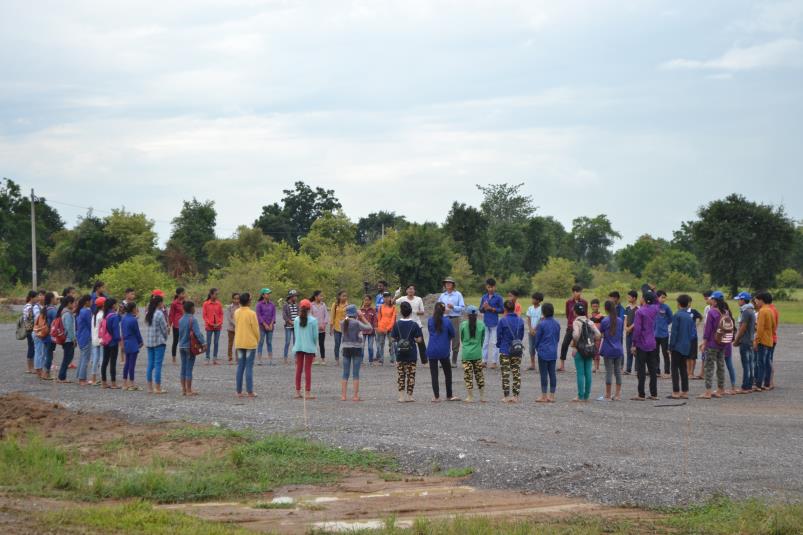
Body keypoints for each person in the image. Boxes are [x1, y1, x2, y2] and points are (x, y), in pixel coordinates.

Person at [698, 291, 733, 399]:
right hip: (722, 343)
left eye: (712, 299)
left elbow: (708, 330)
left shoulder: (712, 312)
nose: (711, 301)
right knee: (721, 366)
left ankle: (708, 392)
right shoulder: (725, 312)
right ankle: (720, 389)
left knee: (709, 367)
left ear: (715, 301)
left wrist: (704, 343)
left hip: (712, 343)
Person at [391, 301, 424, 402]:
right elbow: (419, 340)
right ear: (410, 312)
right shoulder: (414, 325)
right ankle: (410, 396)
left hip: (400, 353)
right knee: (411, 375)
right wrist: (413, 339)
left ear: (401, 312)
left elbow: (392, 339)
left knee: (401, 374)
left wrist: (399, 340)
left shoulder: (396, 324)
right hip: (411, 353)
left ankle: (401, 396)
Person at [631, 290, 660, 401]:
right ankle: (654, 393)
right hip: (652, 342)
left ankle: (641, 394)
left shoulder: (640, 312)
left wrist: (634, 343)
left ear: (643, 299)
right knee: (652, 369)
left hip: (642, 343)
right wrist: (653, 291)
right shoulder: (655, 309)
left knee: (641, 369)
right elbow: (657, 302)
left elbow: (637, 329)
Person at [340, 304, 372, 401]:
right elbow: (369, 327)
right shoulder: (357, 323)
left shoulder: (342, 323)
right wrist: (362, 317)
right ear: (355, 313)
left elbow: (345, 319)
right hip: (357, 348)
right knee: (355, 373)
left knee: (345, 373)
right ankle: (355, 396)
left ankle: (343, 396)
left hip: (346, 348)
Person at [427, 302, 458, 402]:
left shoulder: (430, 320)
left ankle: (436, 397)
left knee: (434, 374)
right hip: (443, 349)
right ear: (444, 310)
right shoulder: (447, 321)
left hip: (432, 349)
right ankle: (449, 395)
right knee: (447, 373)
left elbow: (430, 331)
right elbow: (452, 334)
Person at [570, 302, 600, 402]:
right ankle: (586, 396)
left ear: (575, 312)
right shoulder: (589, 321)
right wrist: (592, 340)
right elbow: (598, 334)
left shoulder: (576, 322)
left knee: (580, 373)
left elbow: (576, 335)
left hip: (580, 349)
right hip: (589, 349)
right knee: (588, 372)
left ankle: (580, 396)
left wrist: (574, 344)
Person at [497, 300, 526, 403]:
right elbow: (521, 336)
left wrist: (499, 344)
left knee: (505, 373)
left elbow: (499, 335)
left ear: (505, 309)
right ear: (514, 308)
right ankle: (516, 396)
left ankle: (506, 396)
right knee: (516, 372)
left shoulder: (502, 321)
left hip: (505, 349)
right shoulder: (520, 320)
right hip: (516, 349)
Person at [668, 295, 695, 399]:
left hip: (677, 346)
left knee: (674, 368)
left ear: (678, 304)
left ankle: (675, 391)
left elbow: (674, 332)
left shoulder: (677, 315)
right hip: (686, 345)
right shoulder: (689, 316)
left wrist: (671, 346)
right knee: (683, 368)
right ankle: (685, 391)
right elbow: (692, 333)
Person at [234, 292, 260, 398]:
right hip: (250, 343)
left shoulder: (236, 312)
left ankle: (238, 391)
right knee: (249, 367)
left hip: (239, 342)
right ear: (248, 301)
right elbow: (256, 329)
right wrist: (257, 340)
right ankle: (250, 391)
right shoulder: (252, 313)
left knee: (240, 366)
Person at [534, 303, 560, 403]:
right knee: (552, 373)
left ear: (543, 312)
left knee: (543, 374)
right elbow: (557, 338)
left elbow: (537, 339)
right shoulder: (557, 323)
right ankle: (552, 395)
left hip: (543, 351)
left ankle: (544, 395)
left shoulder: (541, 324)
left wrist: (537, 347)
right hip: (553, 351)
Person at [178, 301, 205, 396]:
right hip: (190, 347)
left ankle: (184, 390)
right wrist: (204, 343)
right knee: (189, 368)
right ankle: (189, 390)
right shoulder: (193, 320)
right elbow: (198, 333)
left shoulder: (180, 320)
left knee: (183, 367)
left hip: (181, 346)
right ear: (192, 309)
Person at [460, 305, 486, 403]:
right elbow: (483, 339)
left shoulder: (463, 325)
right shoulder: (482, 324)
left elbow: (462, 338)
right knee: (479, 374)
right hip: (477, 353)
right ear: (477, 314)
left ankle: (470, 396)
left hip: (466, 353)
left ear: (467, 314)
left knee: (468, 375)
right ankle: (482, 396)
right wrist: (478, 346)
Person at [292, 298, 318, 399]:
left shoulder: (296, 320)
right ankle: (307, 393)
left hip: (298, 346)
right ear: (310, 309)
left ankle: (297, 392)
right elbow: (315, 336)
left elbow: (295, 333)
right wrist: (314, 347)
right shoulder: (313, 321)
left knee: (298, 369)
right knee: (308, 370)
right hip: (309, 347)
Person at [559, 285, 588, 372]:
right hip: (571, 326)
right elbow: (568, 314)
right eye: (577, 292)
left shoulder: (584, 302)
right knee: (564, 344)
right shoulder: (568, 302)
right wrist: (571, 322)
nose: (579, 293)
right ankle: (562, 365)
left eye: (580, 292)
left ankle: (578, 366)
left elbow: (585, 314)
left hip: (581, 326)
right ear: (573, 292)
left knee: (580, 346)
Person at [437, 277, 465, 368]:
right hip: (444, 318)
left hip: (455, 318)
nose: (448, 284)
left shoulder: (458, 295)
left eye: (450, 283)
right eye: (446, 283)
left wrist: (453, 307)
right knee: (444, 339)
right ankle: (445, 360)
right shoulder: (442, 295)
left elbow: (462, 307)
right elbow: (438, 306)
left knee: (455, 339)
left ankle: (454, 361)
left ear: (453, 285)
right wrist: (442, 310)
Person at [600, 300, 624, 401]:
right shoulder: (620, 320)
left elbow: (600, 333)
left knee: (609, 372)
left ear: (606, 309)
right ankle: (617, 395)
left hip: (608, 349)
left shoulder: (605, 321)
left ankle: (608, 395)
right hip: (618, 349)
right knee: (618, 371)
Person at [732, 291, 756, 395]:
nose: (738, 301)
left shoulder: (746, 311)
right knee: (750, 364)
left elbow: (743, 327)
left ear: (743, 300)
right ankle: (749, 385)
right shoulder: (751, 310)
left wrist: (737, 340)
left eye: (739, 300)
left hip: (745, 341)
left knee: (746, 364)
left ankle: (745, 387)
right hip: (750, 339)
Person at [145, 294, 169, 394]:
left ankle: (150, 388)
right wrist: (166, 336)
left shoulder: (149, 313)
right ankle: (158, 388)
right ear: (159, 303)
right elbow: (164, 329)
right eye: (162, 302)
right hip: (159, 342)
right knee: (158, 365)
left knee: (150, 365)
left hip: (149, 342)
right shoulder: (159, 314)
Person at [753, 292, 776, 391]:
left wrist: (756, 341)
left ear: (761, 300)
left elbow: (760, 328)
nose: (756, 302)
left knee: (760, 363)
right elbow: (773, 326)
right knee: (766, 362)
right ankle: (767, 383)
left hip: (762, 341)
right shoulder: (771, 310)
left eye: (757, 300)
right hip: (769, 340)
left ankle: (758, 384)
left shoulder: (762, 311)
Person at [480, 278, 504, 370]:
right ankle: (484, 361)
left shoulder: (498, 297)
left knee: (494, 343)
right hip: (486, 322)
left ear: (495, 287)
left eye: (492, 287)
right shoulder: (484, 297)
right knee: (485, 343)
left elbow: (502, 310)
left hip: (494, 323)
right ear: (486, 287)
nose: (490, 289)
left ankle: (494, 362)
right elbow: (480, 310)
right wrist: (484, 307)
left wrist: (491, 308)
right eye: (489, 287)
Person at [121, 302, 143, 391]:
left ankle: (124, 383)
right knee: (132, 364)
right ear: (133, 309)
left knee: (127, 363)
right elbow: (137, 332)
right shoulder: (133, 320)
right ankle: (132, 383)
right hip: (133, 342)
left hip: (126, 341)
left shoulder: (123, 318)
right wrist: (140, 341)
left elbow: (122, 331)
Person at [100, 298, 121, 389]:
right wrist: (119, 340)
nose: (117, 306)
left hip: (105, 341)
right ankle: (113, 383)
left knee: (105, 361)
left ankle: (104, 382)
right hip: (113, 341)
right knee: (113, 362)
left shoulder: (106, 315)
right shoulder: (114, 316)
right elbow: (115, 330)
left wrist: (119, 313)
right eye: (116, 304)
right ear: (113, 305)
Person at [56, 295, 76, 382]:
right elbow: (69, 328)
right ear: (69, 303)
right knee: (67, 358)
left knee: (67, 357)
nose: (74, 304)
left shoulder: (64, 312)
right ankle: (62, 377)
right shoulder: (67, 314)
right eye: (73, 303)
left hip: (65, 339)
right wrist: (73, 339)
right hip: (68, 339)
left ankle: (62, 376)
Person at [654, 290, 673, 378]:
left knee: (665, 353)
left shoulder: (666, 307)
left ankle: (667, 371)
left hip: (664, 335)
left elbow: (671, 318)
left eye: (665, 297)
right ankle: (657, 370)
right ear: (657, 297)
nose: (663, 299)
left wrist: (665, 324)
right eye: (662, 297)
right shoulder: (653, 307)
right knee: (655, 353)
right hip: (654, 335)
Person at [74, 294, 93, 386]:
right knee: (85, 358)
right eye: (91, 301)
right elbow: (91, 325)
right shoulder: (87, 312)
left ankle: (80, 377)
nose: (92, 302)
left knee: (82, 357)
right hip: (86, 337)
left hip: (80, 336)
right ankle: (82, 379)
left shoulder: (80, 311)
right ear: (87, 302)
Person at [39, 292, 58, 380]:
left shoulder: (45, 308)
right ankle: (46, 373)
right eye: (55, 298)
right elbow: (57, 323)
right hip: (51, 335)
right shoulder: (53, 310)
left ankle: (44, 372)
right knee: (49, 354)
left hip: (44, 334)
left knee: (46, 353)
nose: (56, 300)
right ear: (51, 299)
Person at [202, 288, 223, 365]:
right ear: (211, 294)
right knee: (208, 342)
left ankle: (215, 358)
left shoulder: (219, 304)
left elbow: (221, 314)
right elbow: (204, 316)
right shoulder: (206, 304)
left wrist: (219, 323)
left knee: (216, 342)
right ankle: (207, 357)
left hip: (218, 326)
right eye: (215, 294)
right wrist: (211, 323)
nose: (217, 295)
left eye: (217, 294)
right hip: (209, 326)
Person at [89, 296, 107, 386]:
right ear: (103, 305)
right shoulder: (102, 315)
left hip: (94, 339)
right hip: (101, 339)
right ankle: (101, 378)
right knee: (101, 359)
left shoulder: (94, 315)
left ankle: (93, 378)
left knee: (95, 359)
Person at [255, 288, 276, 366]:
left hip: (270, 326)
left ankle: (270, 359)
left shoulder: (272, 304)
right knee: (261, 342)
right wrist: (264, 324)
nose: (269, 295)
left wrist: (271, 324)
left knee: (269, 342)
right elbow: (258, 315)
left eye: (269, 293)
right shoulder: (259, 304)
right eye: (267, 293)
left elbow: (274, 315)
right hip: (262, 326)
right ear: (263, 295)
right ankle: (259, 360)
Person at [376, 291, 396, 364]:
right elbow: (379, 318)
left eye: (387, 297)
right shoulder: (381, 307)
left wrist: (387, 328)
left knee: (391, 343)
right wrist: (379, 327)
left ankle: (392, 359)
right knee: (381, 344)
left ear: (390, 298)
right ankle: (381, 359)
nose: (386, 298)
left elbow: (393, 319)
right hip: (381, 328)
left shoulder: (393, 307)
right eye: (384, 297)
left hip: (390, 329)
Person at [310, 290, 330, 364]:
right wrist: (315, 325)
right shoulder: (311, 305)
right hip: (314, 328)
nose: (322, 297)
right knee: (313, 343)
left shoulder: (323, 305)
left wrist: (324, 324)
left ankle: (323, 359)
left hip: (322, 328)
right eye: (320, 296)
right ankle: (314, 358)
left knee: (321, 343)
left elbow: (326, 315)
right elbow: (310, 315)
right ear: (315, 297)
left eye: (322, 296)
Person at [525, 292, 544, 371]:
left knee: (539, 348)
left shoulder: (542, 309)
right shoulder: (530, 308)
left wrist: (535, 329)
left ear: (538, 300)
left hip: (539, 332)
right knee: (531, 348)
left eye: (534, 299)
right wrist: (530, 329)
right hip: (531, 332)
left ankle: (541, 365)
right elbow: (528, 319)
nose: (532, 300)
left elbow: (541, 320)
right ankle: (532, 364)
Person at [168, 287, 186, 365]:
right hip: (176, 325)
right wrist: (169, 325)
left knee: (184, 341)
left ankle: (184, 357)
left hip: (185, 324)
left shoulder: (185, 303)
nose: (184, 295)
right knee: (175, 341)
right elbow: (171, 315)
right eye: (182, 293)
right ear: (178, 294)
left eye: (184, 293)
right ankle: (174, 358)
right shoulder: (174, 303)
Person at [329, 290, 348, 364]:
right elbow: (332, 316)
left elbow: (348, 316)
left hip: (345, 328)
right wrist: (331, 328)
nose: (345, 297)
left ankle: (346, 358)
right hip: (337, 328)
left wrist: (345, 320)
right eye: (343, 296)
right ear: (339, 297)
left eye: (346, 296)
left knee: (346, 344)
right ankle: (337, 360)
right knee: (337, 344)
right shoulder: (335, 305)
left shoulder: (348, 305)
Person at [766, 293, 780, 389]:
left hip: (769, 338)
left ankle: (770, 382)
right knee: (768, 359)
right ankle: (768, 381)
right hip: (772, 337)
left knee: (767, 360)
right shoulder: (773, 309)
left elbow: (770, 326)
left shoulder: (770, 310)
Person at [22, 290, 38, 374]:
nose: (37, 299)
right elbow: (30, 317)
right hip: (30, 330)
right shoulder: (29, 307)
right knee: (31, 348)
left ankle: (31, 367)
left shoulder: (30, 306)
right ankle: (29, 368)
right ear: (32, 297)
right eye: (36, 297)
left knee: (32, 347)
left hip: (29, 329)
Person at [359, 295, 378, 365]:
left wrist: (375, 327)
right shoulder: (360, 310)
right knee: (362, 346)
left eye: (368, 300)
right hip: (362, 331)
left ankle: (371, 361)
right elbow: (358, 320)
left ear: (370, 301)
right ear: (363, 301)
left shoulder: (373, 310)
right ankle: (361, 361)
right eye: (365, 300)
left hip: (371, 331)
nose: (366, 301)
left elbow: (375, 320)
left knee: (370, 347)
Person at [623, 290, 638, 375]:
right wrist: (625, 327)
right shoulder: (627, 308)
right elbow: (625, 318)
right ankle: (628, 369)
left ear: (634, 298)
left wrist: (631, 327)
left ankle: (637, 369)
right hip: (628, 332)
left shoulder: (638, 308)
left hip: (635, 332)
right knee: (628, 350)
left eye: (629, 297)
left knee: (635, 350)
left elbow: (637, 321)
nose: (628, 298)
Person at [224, 292, 240, 365]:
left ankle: (237, 357)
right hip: (231, 328)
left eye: (238, 299)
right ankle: (230, 356)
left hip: (239, 328)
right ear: (232, 299)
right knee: (230, 343)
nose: (236, 300)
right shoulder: (229, 307)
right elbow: (229, 318)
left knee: (238, 343)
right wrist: (235, 323)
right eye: (235, 299)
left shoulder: (241, 307)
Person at [589, 299, 604, 373]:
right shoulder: (589, 316)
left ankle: (597, 367)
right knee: (591, 351)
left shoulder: (601, 316)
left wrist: (602, 334)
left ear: (599, 306)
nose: (595, 308)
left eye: (596, 306)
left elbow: (603, 326)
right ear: (591, 306)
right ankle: (594, 367)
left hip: (598, 336)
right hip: (590, 336)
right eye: (593, 306)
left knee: (597, 351)